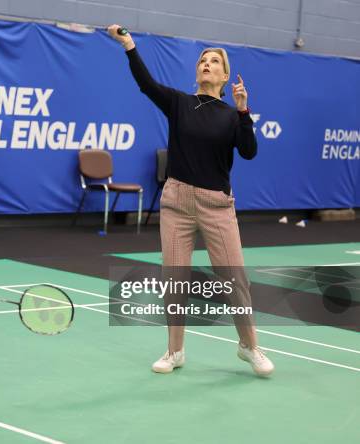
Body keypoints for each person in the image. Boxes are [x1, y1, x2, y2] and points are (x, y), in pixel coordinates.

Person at [107, 25, 274, 376]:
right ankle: (174, 351)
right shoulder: (180, 103)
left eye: (215, 62)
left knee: (234, 279)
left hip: (217, 205)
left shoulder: (232, 116)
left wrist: (243, 112)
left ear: (224, 76)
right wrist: (129, 46)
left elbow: (249, 152)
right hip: (177, 203)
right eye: (203, 60)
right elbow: (146, 84)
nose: (207, 64)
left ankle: (249, 347)